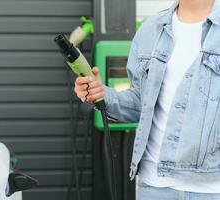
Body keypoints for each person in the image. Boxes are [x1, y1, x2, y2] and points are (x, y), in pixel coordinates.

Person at [74, 0, 220, 199]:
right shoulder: (152, 29)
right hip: (153, 186)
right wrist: (102, 94)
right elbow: (141, 103)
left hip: (211, 188)